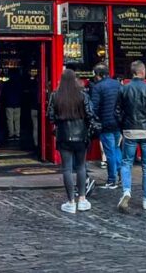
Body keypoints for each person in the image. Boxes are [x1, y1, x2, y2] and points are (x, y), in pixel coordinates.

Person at [116, 60, 146, 212]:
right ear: (143, 72)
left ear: (133, 72)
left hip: (130, 130)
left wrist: (122, 127)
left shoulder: (124, 89)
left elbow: (117, 111)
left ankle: (126, 190)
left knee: (126, 163)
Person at [47, 69, 97, 214]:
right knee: (81, 167)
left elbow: (50, 116)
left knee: (67, 169)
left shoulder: (56, 96)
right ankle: (82, 199)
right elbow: (90, 114)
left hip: (63, 135)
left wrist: (59, 121)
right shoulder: (82, 95)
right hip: (81, 135)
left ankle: (70, 202)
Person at [90, 64, 122, 189]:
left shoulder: (98, 87)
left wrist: (95, 120)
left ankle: (111, 179)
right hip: (117, 121)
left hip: (105, 123)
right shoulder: (117, 84)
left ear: (98, 75)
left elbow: (94, 107)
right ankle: (121, 176)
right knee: (116, 148)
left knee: (109, 151)